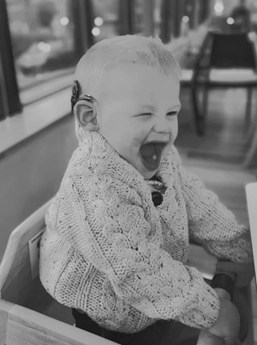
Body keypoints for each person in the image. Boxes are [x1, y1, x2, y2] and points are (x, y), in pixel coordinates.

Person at [39, 35, 253, 345]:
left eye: (171, 112)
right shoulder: (95, 183)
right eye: (145, 114)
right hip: (109, 312)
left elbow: (194, 201)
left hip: (154, 292)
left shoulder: (157, 153)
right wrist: (213, 312)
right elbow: (138, 270)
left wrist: (239, 243)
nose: (166, 127)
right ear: (90, 117)